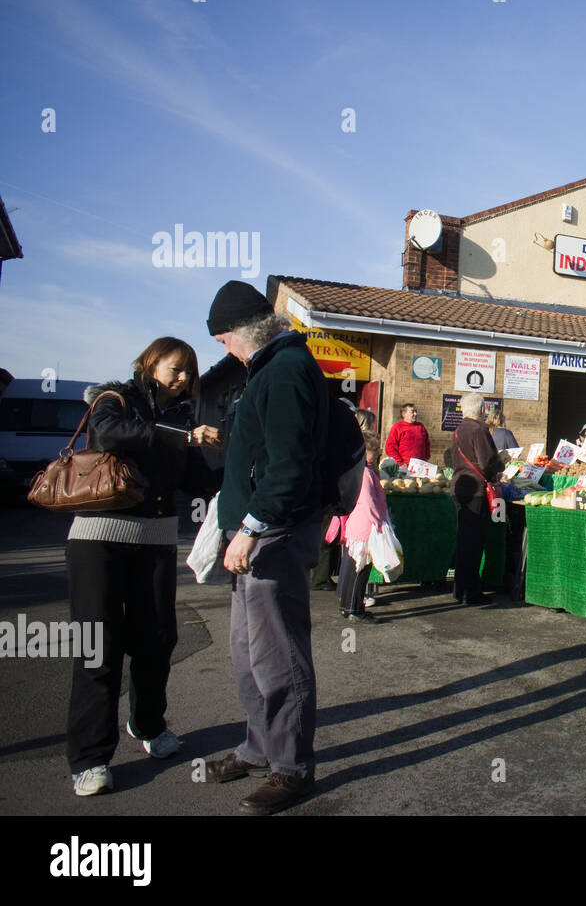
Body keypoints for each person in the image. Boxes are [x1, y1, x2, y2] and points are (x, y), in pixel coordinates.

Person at [65, 337, 221, 796]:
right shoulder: (114, 399)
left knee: (156, 639)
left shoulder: (183, 417)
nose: (183, 379)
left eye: (189, 373)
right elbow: (111, 434)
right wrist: (182, 436)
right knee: (99, 646)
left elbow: (196, 478)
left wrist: (240, 469)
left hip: (155, 540)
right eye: (176, 369)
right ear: (151, 364)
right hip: (98, 538)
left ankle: (148, 724)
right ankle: (90, 759)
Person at [202, 280, 328, 815]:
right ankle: (260, 748)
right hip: (259, 532)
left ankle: (291, 768)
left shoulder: (285, 369)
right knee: (248, 653)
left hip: (273, 532)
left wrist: (251, 528)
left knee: (277, 655)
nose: (225, 350)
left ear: (245, 331)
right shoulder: (272, 367)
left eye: (224, 340)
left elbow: (289, 467)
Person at [449, 391, 504, 605]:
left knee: (464, 540)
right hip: (476, 491)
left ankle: (460, 589)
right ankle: (470, 592)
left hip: (459, 487)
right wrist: (500, 467)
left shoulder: (459, 429)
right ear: (482, 410)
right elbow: (487, 462)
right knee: (474, 542)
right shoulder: (479, 429)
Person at [327, 432, 388, 623]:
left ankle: (347, 607)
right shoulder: (366, 473)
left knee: (355, 567)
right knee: (360, 570)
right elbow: (368, 501)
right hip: (365, 527)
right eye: (374, 450)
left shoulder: (358, 470)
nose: (377, 454)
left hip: (357, 525)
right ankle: (355, 609)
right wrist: (379, 522)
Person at [385, 402, 430, 467]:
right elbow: (390, 448)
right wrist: (401, 463)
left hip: (420, 466)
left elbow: (427, 444)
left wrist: (426, 458)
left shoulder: (420, 426)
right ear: (404, 414)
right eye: (412, 412)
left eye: (416, 411)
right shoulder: (397, 427)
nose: (415, 414)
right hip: (404, 466)